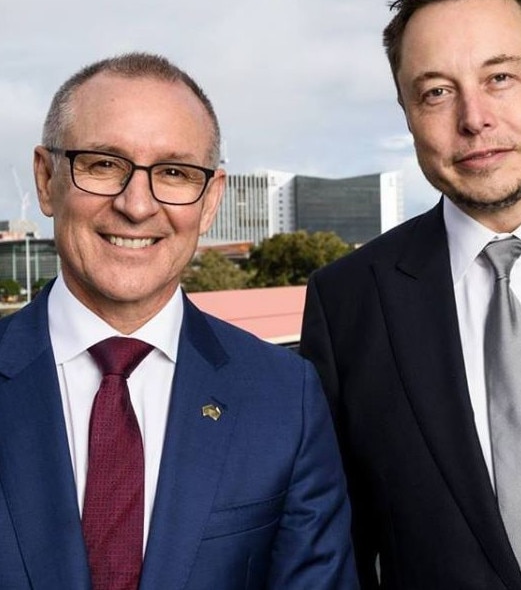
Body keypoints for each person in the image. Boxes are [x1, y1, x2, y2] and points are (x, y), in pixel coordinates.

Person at [0, 52, 358, 590]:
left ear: (211, 200)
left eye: (173, 173)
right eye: (103, 163)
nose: (137, 205)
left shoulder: (285, 398)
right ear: (46, 180)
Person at [300, 0, 521, 589]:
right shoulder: (348, 305)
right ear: (406, 113)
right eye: (436, 91)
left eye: (501, 77)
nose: (473, 117)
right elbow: (337, 554)